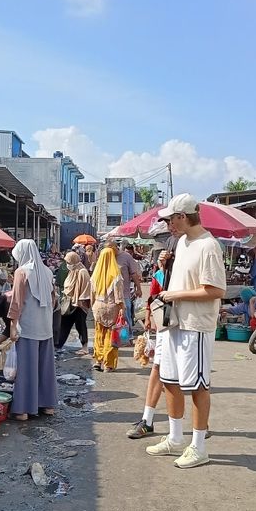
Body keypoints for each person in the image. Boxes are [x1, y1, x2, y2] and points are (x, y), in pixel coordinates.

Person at [146, 194, 225, 469]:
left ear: (183, 216)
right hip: (173, 322)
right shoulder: (182, 242)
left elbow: (215, 290)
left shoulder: (208, 246)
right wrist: (165, 269)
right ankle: (176, 437)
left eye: (170, 219)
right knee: (170, 380)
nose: (168, 224)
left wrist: (176, 294)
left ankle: (199, 446)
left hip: (196, 326)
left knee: (198, 387)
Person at [6, 239, 57, 420]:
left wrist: (13, 326)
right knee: (45, 367)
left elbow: (17, 302)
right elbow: (54, 299)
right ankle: (47, 405)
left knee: (27, 368)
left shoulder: (22, 272)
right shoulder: (48, 272)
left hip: (28, 326)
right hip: (45, 326)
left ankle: (24, 409)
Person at [128, 247, 175, 439]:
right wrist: (149, 317)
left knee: (192, 382)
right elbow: (152, 297)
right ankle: (147, 420)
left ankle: (199, 426)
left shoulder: (200, 253)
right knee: (158, 367)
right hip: (167, 322)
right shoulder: (160, 273)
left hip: (191, 327)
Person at [90, 247, 125, 373]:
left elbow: (92, 295)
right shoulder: (116, 276)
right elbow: (119, 298)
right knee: (111, 336)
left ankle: (98, 361)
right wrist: (123, 309)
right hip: (112, 308)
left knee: (99, 334)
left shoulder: (95, 275)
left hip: (98, 307)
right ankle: (108, 364)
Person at [56, 251, 92, 356]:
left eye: (69, 262)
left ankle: (85, 347)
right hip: (70, 303)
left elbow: (87, 288)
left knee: (80, 325)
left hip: (80, 304)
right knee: (64, 324)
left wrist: (80, 300)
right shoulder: (72, 272)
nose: (68, 264)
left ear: (74, 261)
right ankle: (58, 345)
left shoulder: (82, 272)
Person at [108, 239, 142, 333]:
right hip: (109, 294)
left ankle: (128, 336)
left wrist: (138, 288)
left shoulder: (126, 257)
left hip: (124, 294)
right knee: (112, 317)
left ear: (115, 247)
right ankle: (114, 337)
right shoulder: (106, 257)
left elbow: (134, 274)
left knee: (125, 316)